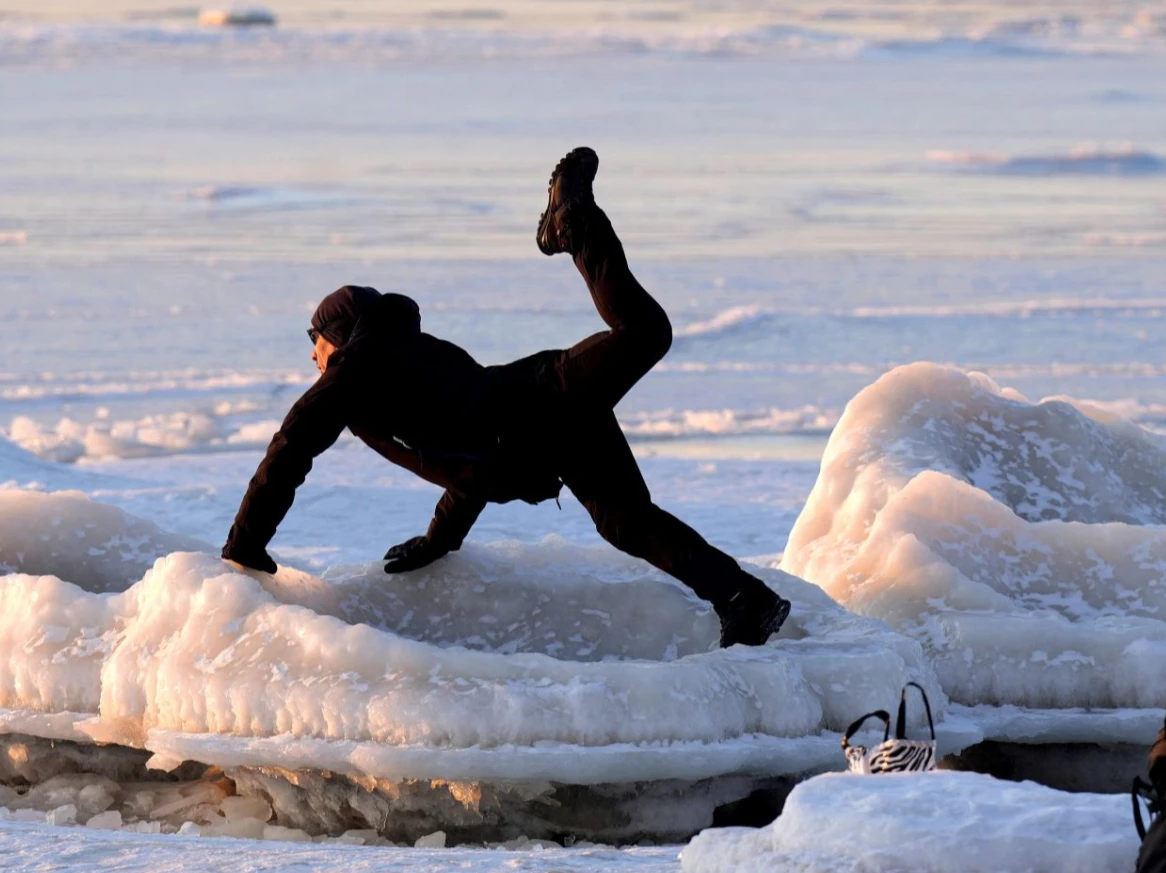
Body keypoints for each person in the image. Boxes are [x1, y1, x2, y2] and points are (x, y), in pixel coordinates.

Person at [221, 147, 791, 647]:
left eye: (313, 340)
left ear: (336, 335)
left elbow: (291, 446)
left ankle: (570, 221)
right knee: (628, 524)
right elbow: (467, 452)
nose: (311, 356)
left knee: (644, 334)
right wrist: (438, 539)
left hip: (544, 399)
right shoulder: (398, 362)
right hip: (546, 434)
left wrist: (243, 548)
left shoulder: (356, 372)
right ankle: (746, 601)